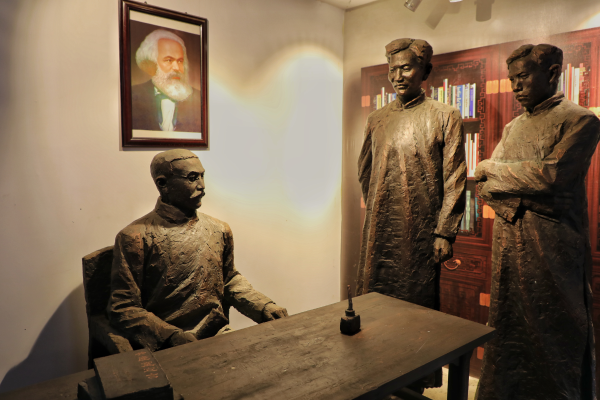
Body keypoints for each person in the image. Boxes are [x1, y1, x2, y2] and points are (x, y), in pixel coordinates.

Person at [475, 44, 599, 400]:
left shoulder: (581, 120)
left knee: (555, 331)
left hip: (554, 247)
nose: (515, 86)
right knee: (509, 329)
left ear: (553, 72)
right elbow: (484, 187)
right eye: (512, 78)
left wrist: (495, 170)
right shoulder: (512, 127)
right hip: (508, 244)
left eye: (523, 76)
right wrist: (532, 198)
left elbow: (553, 175)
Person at [356, 38, 466, 392]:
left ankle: (412, 383)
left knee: (414, 307)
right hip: (379, 227)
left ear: (425, 71)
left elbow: (455, 177)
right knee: (374, 304)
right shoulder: (377, 119)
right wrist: (378, 205)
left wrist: (444, 231)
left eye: (406, 68)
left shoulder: (445, 115)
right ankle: (371, 376)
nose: (398, 76)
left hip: (419, 231)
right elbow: (364, 171)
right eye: (392, 69)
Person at [107, 149, 288, 351]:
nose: (202, 186)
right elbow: (123, 307)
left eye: (202, 176)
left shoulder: (219, 229)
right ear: (163, 184)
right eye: (192, 178)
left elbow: (229, 280)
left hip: (218, 336)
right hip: (167, 347)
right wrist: (171, 336)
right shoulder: (135, 237)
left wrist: (263, 306)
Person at [132, 29, 202, 132]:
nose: (177, 68)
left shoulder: (199, 98)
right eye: (169, 60)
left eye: (180, 61)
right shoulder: (133, 95)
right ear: (153, 62)